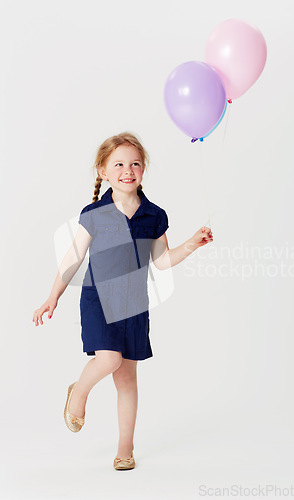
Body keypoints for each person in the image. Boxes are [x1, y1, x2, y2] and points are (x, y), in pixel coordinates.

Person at [32, 131, 214, 470]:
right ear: (103, 171)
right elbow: (73, 258)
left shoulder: (154, 215)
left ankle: (125, 449)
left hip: (134, 305)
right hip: (97, 300)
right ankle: (79, 392)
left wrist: (192, 243)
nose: (127, 170)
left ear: (143, 170)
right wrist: (52, 297)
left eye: (135, 163)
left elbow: (161, 261)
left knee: (127, 379)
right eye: (118, 164)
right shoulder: (95, 214)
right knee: (109, 359)